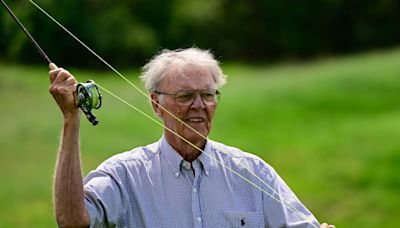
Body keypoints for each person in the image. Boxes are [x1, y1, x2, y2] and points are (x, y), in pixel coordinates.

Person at [49, 48, 334, 228]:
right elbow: (72, 221)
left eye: (208, 95)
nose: (199, 106)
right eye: (186, 96)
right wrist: (70, 119)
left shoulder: (253, 172)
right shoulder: (124, 176)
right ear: (156, 105)